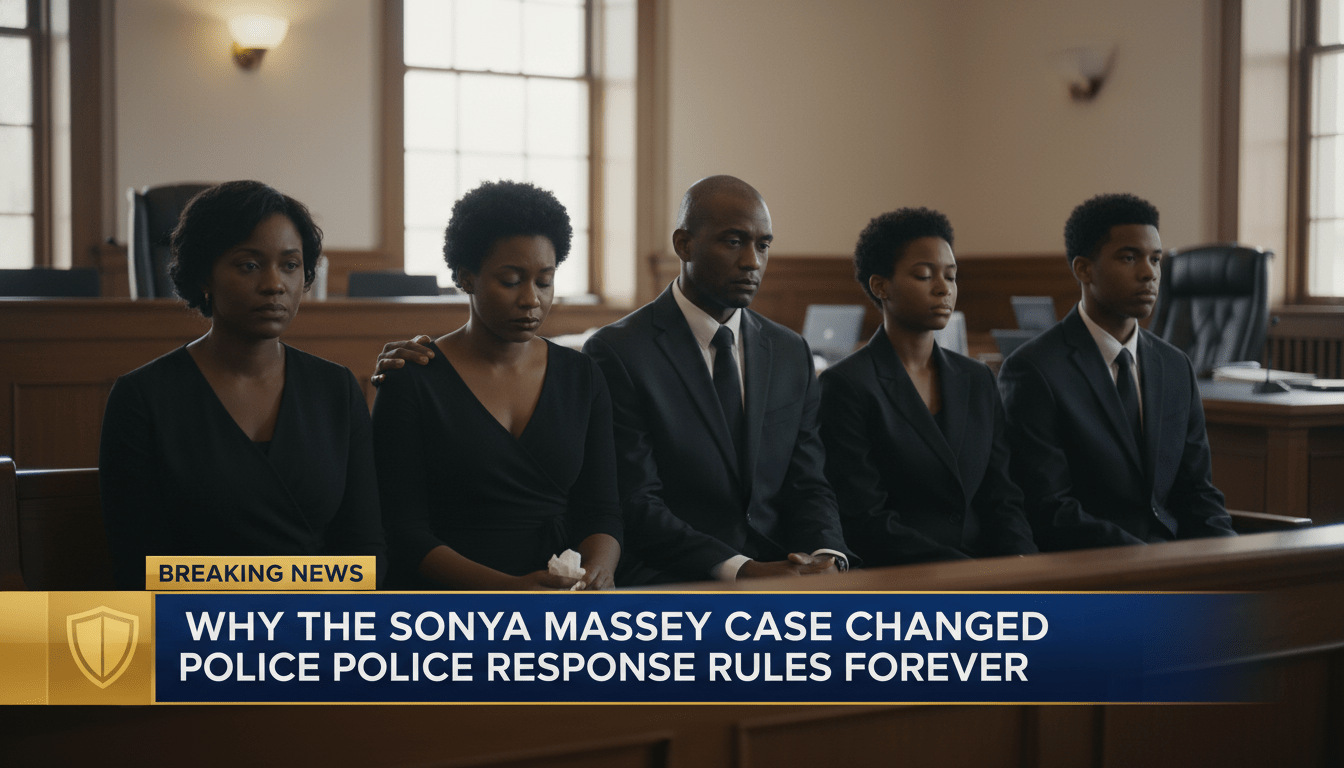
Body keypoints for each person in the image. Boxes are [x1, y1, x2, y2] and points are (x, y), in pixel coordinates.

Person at [99, 181, 385, 590]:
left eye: (290, 265)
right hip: (198, 633)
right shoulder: (142, 398)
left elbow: (366, 550)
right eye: (249, 265)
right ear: (204, 275)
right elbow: (139, 569)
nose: (274, 284)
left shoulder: (336, 388)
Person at [581, 175, 853, 584]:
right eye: (733, 241)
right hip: (675, 578)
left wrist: (826, 554)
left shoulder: (790, 352)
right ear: (684, 244)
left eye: (763, 245)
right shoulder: (618, 351)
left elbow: (809, 482)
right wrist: (742, 571)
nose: (752, 262)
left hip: (786, 572)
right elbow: (635, 500)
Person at [371, 180, 622, 590]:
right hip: (448, 600)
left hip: (563, 597)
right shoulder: (413, 378)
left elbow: (602, 509)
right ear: (466, 278)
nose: (531, 300)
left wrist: (599, 571)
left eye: (544, 281)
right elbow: (402, 531)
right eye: (510, 280)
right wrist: (510, 588)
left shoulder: (582, 376)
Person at [997, 193, 1235, 550]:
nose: (1149, 273)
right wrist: (1146, 561)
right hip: (1092, 569)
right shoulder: (1033, 369)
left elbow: (1197, 490)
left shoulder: (1174, 366)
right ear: (1084, 269)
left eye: (1155, 259)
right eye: (1129, 257)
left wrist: (1233, 556)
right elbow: (1049, 508)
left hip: (1177, 563)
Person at [818, 208, 1036, 565]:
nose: (942, 289)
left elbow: (1002, 497)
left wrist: (1024, 565)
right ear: (880, 285)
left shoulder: (977, 379)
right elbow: (864, 518)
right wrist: (966, 574)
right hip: (900, 579)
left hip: (991, 575)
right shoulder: (846, 385)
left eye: (951, 277)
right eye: (923, 275)